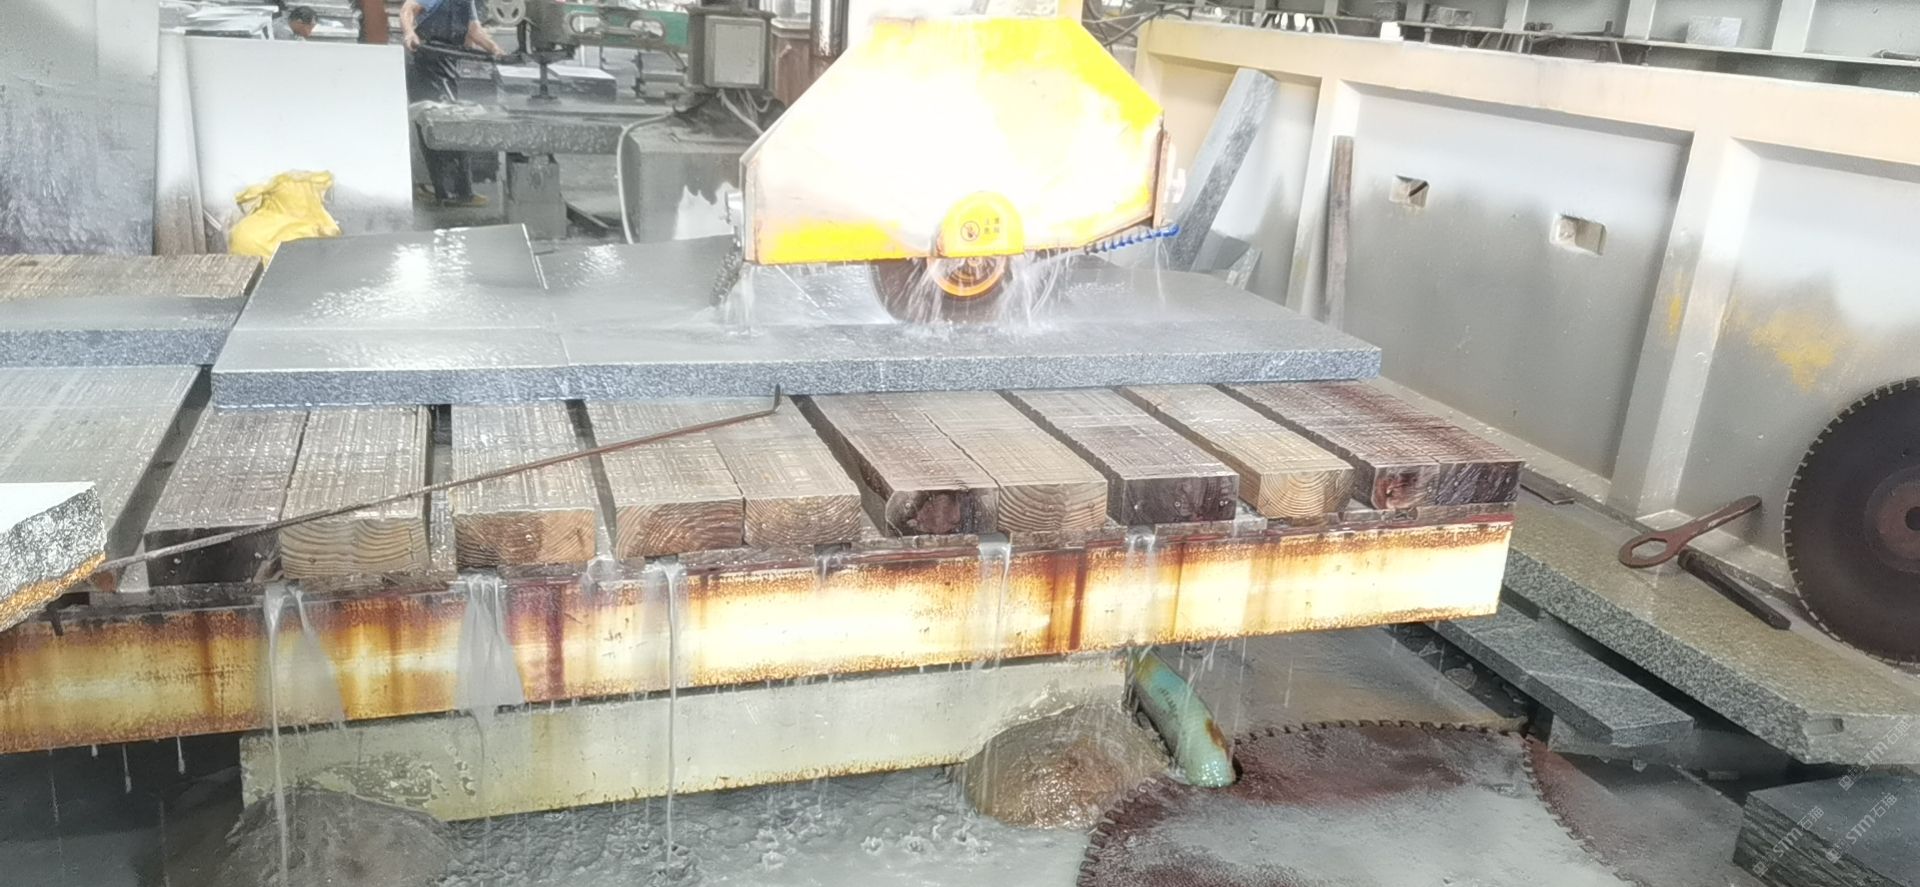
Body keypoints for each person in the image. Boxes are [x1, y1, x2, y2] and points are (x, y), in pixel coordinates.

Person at [401, 0, 505, 207]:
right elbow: (408, 9)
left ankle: (458, 191)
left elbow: (474, 29)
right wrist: (409, 33)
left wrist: (494, 49)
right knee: (439, 125)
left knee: (451, 122)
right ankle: (449, 194)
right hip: (426, 60)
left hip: (448, 61)